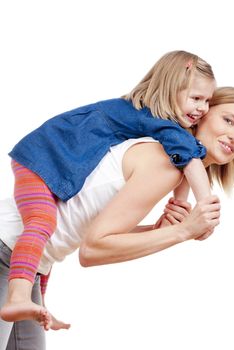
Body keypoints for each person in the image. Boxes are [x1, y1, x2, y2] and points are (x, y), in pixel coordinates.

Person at [0, 86, 234, 349]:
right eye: (229, 120)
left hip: (29, 265)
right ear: (201, 115)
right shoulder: (165, 164)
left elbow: (96, 231)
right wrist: (182, 232)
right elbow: (91, 250)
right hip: (6, 251)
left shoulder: (172, 163)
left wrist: (156, 230)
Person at [1, 50, 217, 324]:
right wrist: (205, 207)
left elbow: (182, 158)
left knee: (47, 251)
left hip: (48, 160)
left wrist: (177, 205)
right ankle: (18, 297)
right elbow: (188, 155)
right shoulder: (153, 119)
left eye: (208, 101)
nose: (203, 109)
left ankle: (37, 306)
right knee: (42, 221)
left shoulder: (147, 120)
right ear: (168, 89)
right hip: (40, 157)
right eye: (196, 98)